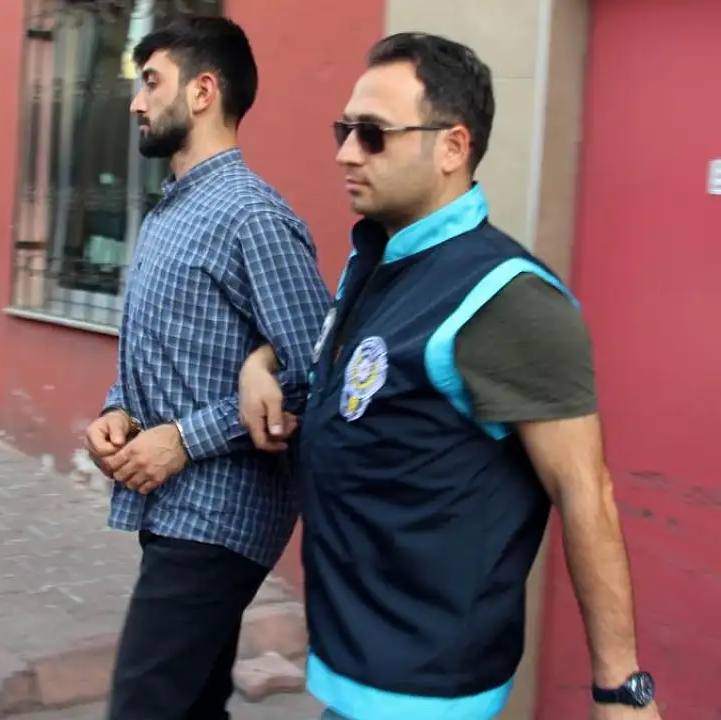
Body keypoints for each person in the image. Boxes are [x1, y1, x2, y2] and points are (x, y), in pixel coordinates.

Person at [238, 32, 659, 720]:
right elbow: (350, 390)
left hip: (425, 688)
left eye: (373, 134)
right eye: (345, 130)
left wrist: (622, 691)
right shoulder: (380, 264)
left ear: (452, 147)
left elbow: (586, 493)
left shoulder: (505, 298)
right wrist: (262, 366)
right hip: (356, 666)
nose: (346, 152)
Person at [82, 16, 331, 719]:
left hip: (221, 512)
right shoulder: (170, 213)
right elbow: (163, 348)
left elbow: (318, 369)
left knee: (143, 706)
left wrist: (185, 441)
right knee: (191, 705)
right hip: (173, 505)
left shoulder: (251, 215)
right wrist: (115, 411)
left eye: (151, 83)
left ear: (202, 92)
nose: (136, 102)